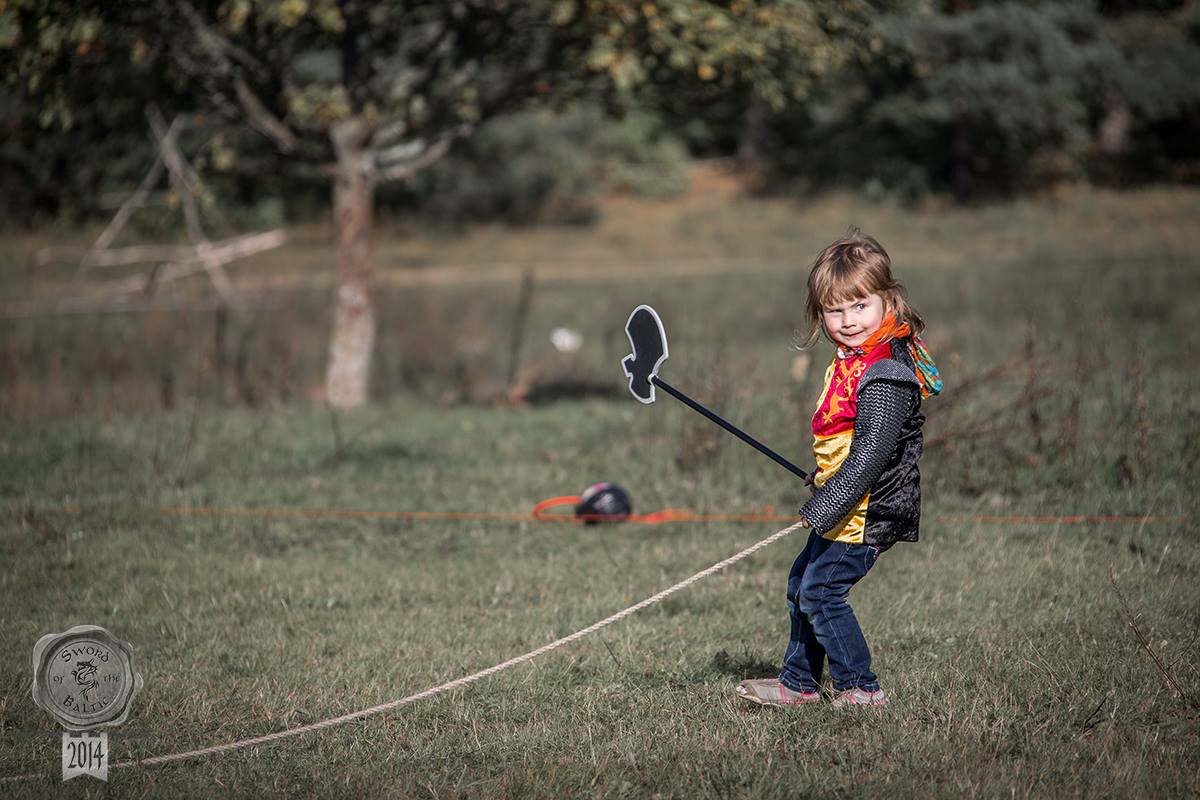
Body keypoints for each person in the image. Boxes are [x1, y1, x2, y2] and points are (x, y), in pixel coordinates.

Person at [736, 230, 942, 708]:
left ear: (887, 300)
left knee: (823, 593)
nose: (848, 321)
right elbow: (848, 439)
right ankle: (800, 685)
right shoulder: (851, 359)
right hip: (846, 502)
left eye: (860, 306)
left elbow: (871, 455)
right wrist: (823, 476)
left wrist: (827, 502)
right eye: (835, 310)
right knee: (801, 584)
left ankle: (861, 690)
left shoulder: (885, 371)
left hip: (869, 508)